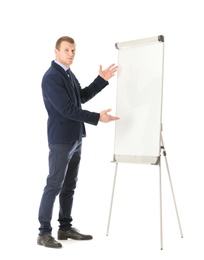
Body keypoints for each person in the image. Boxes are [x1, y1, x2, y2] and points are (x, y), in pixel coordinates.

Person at [37, 36, 119, 248]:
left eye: (73, 50)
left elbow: (80, 97)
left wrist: (101, 80)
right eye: (66, 50)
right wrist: (97, 118)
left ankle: (64, 228)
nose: (71, 53)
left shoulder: (68, 74)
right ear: (56, 51)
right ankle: (44, 233)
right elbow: (66, 110)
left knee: (69, 185)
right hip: (61, 139)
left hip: (75, 138)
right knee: (54, 185)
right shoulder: (51, 77)